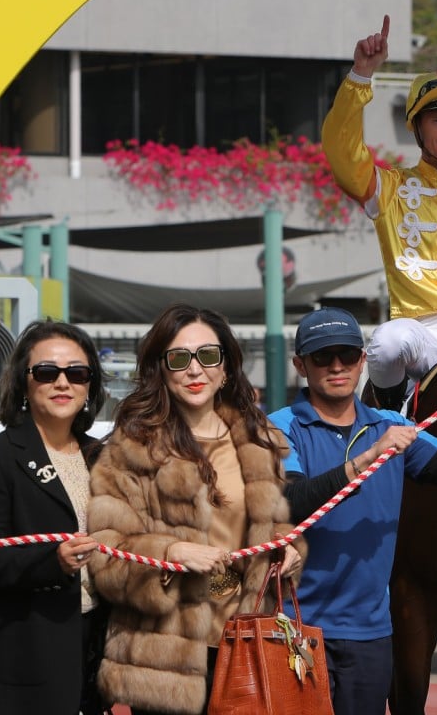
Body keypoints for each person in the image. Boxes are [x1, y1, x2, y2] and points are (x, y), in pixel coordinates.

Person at [266, 307, 437, 715]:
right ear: (300, 365)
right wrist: (368, 457)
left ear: (362, 361)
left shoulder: (389, 424)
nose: (336, 366)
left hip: (370, 633)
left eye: (347, 355)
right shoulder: (277, 426)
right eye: (322, 357)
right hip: (292, 626)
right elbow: (290, 500)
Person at [87, 304, 305, 715]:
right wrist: (169, 552)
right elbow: (106, 552)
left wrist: (287, 551)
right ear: (161, 370)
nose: (194, 370)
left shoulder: (258, 441)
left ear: (225, 369)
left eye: (208, 356)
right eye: (179, 358)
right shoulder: (130, 448)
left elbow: (272, 526)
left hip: (245, 644)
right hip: (163, 658)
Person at [321, 16, 437, 412]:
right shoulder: (387, 187)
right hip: (419, 331)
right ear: (417, 128)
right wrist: (361, 74)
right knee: (388, 343)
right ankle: (388, 417)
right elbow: (341, 150)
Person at [0, 321, 108, 715]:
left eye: (77, 373)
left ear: (90, 384)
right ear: (23, 382)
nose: (63, 383)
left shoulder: (105, 457)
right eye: (46, 372)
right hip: (22, 656)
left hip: (93, 651)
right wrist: (52, 562)